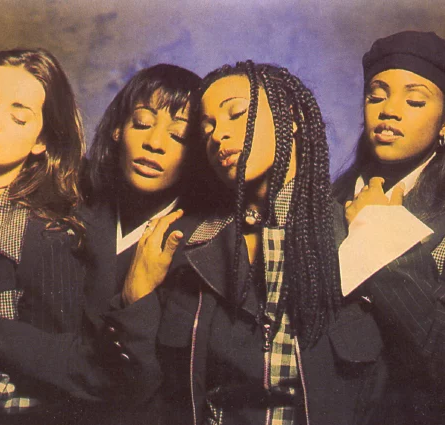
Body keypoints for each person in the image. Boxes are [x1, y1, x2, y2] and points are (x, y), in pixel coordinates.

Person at [0, 62, 203, 424]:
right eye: (141, 123)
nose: (154, 143)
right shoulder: (78, 190)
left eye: (179, 135)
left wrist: (136, 299)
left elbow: (133, 383)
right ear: (118, 129)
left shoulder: (200, 243)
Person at [125, 60, 389, 425]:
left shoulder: (358, 233)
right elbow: (147, 389)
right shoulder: (187, 243)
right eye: (207, 128)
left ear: (291, 116)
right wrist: (136, 300)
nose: (219, 135)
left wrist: (386, 236)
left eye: (236, 114)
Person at [333, 31, 445, 424]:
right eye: (376, 96)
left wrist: (379, 231)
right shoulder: (326, 202)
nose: (389, 111)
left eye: (414, 101)